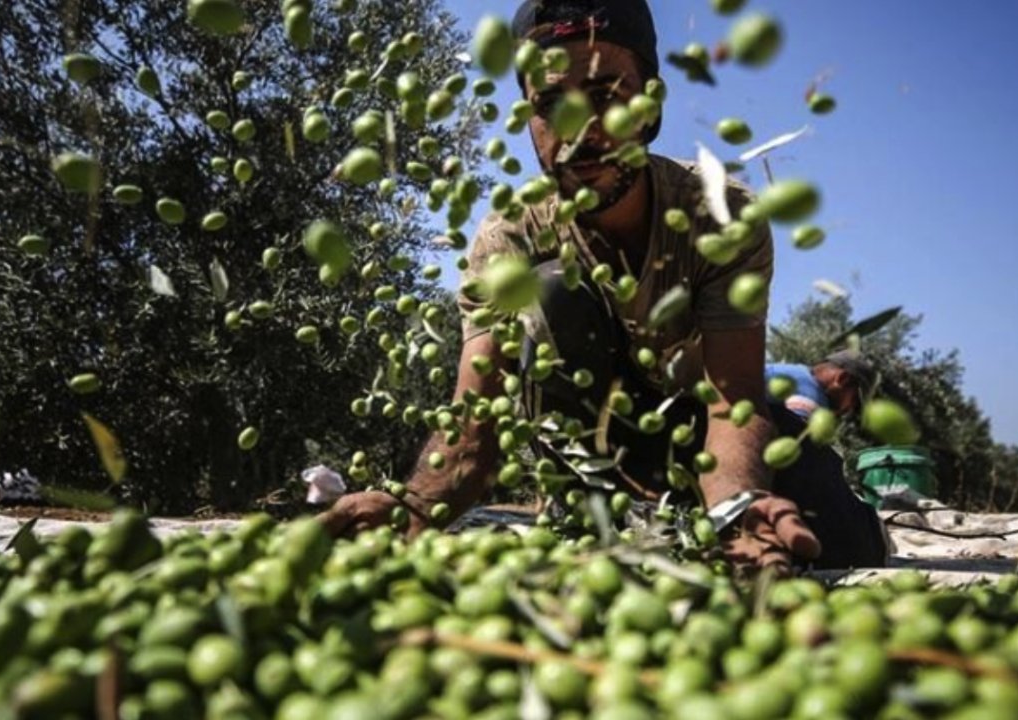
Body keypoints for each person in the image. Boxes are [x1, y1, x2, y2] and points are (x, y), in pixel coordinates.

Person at [321, 0, 888, 573]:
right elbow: (477, 421)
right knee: (549, 290)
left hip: (705, 429)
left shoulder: (719, 216)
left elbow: (730, 397)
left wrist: (735, 503)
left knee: (839, 548)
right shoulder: (510, 240)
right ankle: (598, 516)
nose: (578, 131)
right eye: (549, 105)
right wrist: (412, 511)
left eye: (605, 96)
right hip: (592, 442)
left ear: (650, 106)